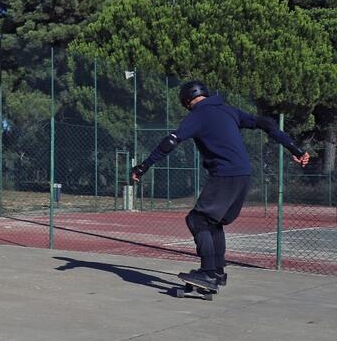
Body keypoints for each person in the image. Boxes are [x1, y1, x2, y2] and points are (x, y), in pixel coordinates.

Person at [131, 79, 309, 291]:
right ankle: (217, 272)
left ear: (186, 101)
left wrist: (142, 167)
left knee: (197, 220)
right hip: (243, 174)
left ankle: (207, 273)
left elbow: (170, 142)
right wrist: (296, 150)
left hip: (225, 175)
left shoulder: (197, 115)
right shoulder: (228, 110)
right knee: (213, 222)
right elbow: (267, 124)